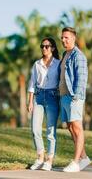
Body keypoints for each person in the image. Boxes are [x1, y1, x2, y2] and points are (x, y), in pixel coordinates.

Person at [59, 27, 91, 172]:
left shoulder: (78, 55)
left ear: (73, 38)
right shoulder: (65, 54)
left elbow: (82, 79)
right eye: (62, 37)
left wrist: (76, 98)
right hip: (64, 96)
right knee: (71, 128)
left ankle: (76, 162)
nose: (63, 40)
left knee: (77, 128)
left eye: (66, 37)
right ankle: (84, 158)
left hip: (74, 97)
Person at [27, 37, 60, 171]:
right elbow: (32, 83)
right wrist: (30, 102)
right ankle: (40, 158)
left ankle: (49, 160)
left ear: (52, 48)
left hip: (53, 96)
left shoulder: (58, 63)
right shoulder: (37, 64)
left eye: (47, 46)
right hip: (38, 97)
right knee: (35, 129)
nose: (44, 48)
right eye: (42, 46)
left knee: (51, 132)